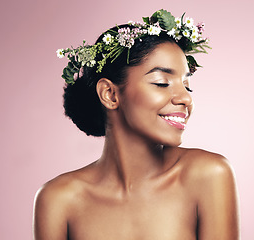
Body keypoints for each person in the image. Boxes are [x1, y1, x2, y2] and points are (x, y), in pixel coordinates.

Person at [33, 9, 240, 240]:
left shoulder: (208, 175)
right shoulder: (58, 200)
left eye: (187, 85)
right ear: (110, 94)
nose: (186, 98)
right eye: (162, 83)